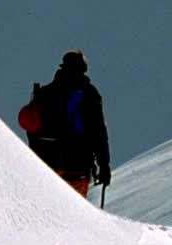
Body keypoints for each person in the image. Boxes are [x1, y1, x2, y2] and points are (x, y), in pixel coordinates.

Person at [21, 49, 111, 198]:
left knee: (45, 208)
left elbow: (31, 128)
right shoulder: (89, 94)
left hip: (45, 166)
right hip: (77, 166)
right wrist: (104, 167)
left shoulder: (44, 93)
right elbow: (99, 133)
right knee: (72, 212)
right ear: (83, 68)